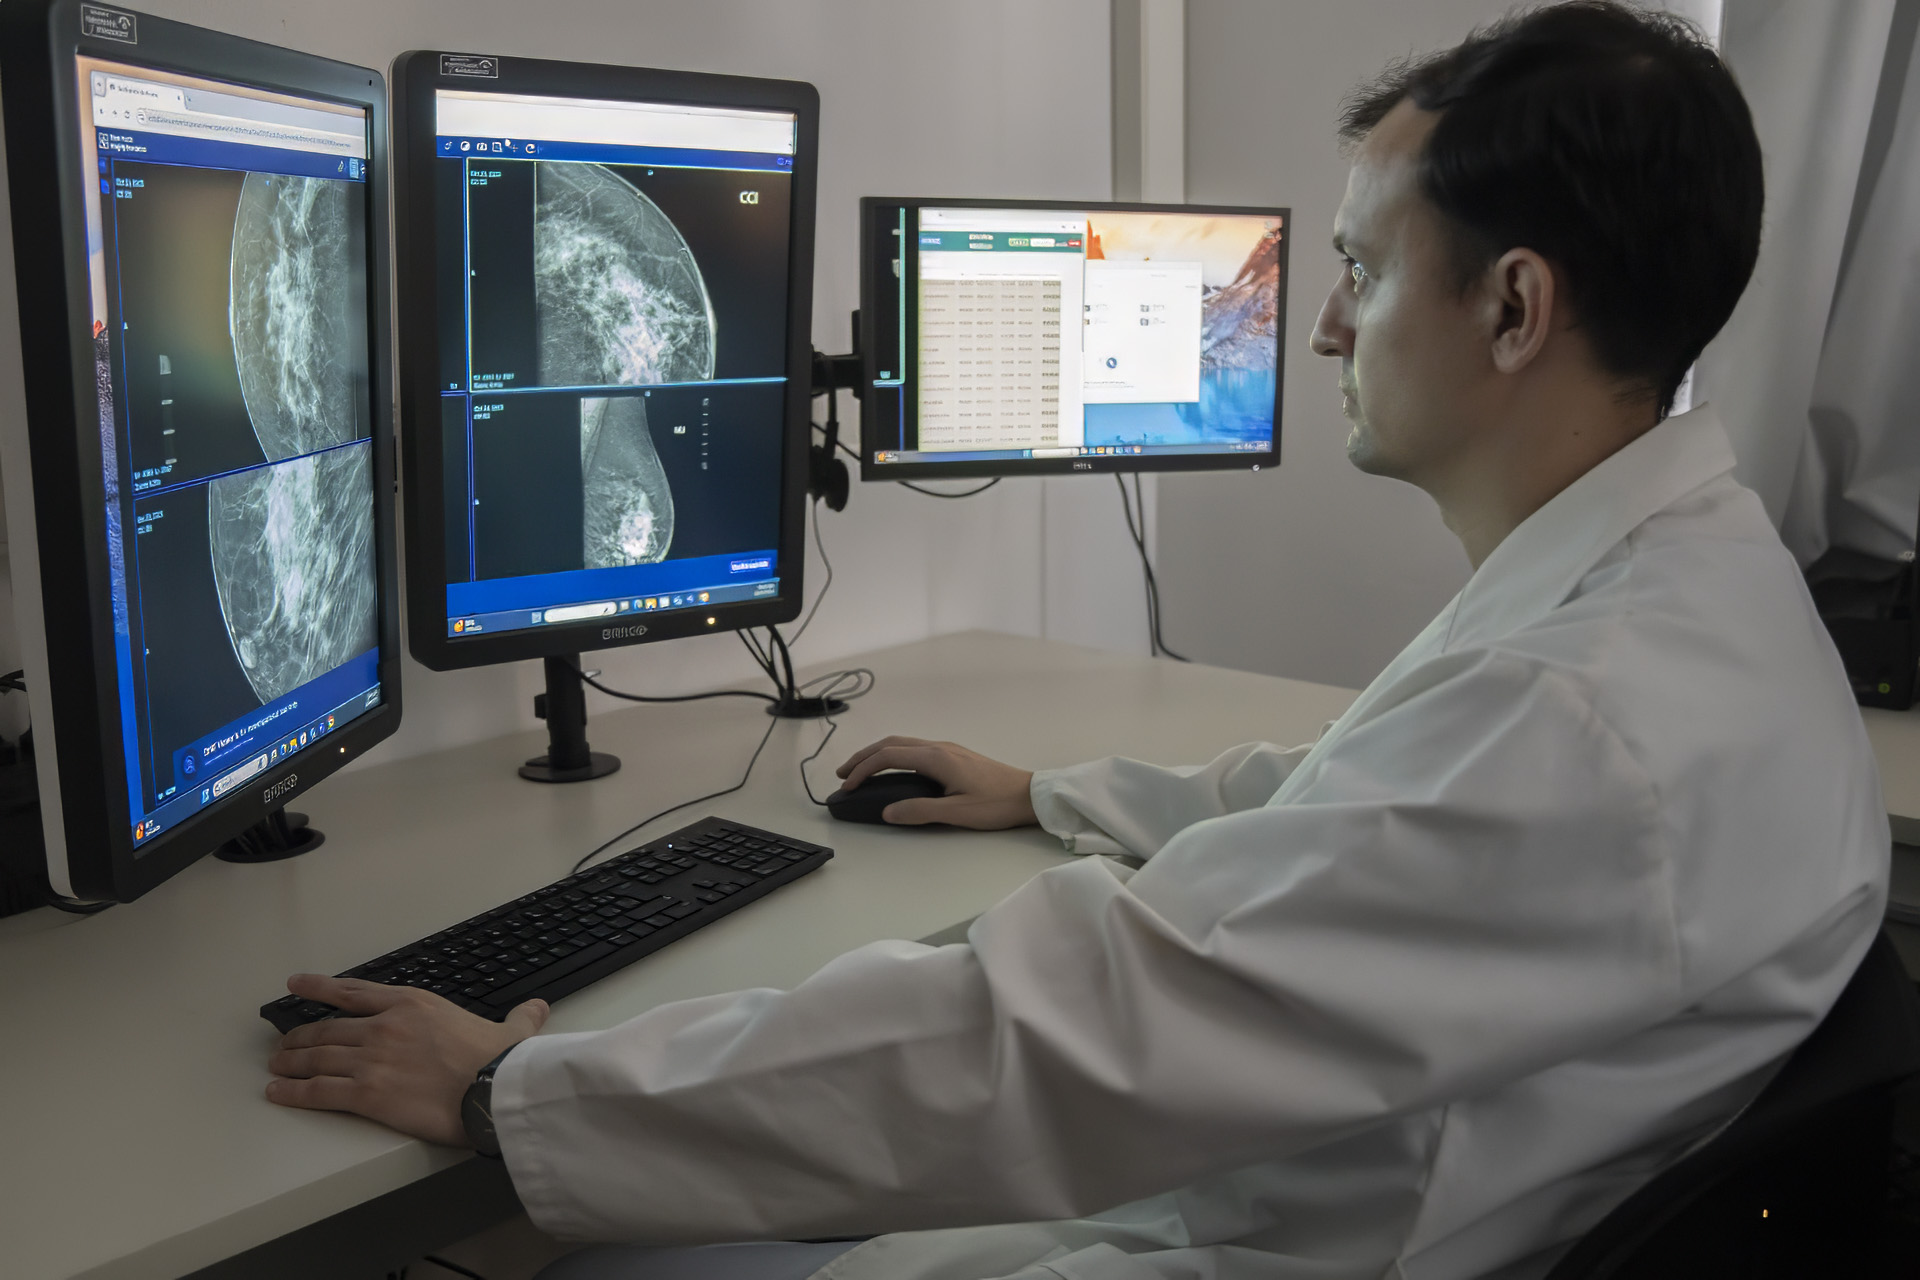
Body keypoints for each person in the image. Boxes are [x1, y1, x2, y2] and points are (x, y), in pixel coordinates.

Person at [264, 5, 1891, 1278]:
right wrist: (1055, 792)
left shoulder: (1582, 713)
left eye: (1359, 269)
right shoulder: (1689, 589)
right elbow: (1366, 813)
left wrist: (512, 1094)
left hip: (1314, 1239)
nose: (1326, 325)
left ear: (1514, 308)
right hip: (1401, 1183)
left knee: (606, 1259)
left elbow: (1063, 1038)